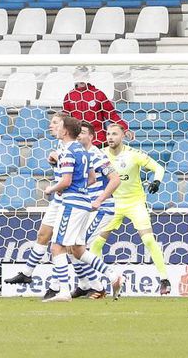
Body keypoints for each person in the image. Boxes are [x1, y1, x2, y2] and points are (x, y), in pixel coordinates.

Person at [89, 122, 172, 297]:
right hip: (112, 204)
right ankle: (99, 283)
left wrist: (157, 181)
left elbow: (159, 168)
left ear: (123, 136)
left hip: (135, 203)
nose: (110, 137)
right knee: (96, 243)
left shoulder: (133, 155)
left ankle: (164, 279)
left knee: (148, 240)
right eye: (108, 134)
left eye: (114, 134)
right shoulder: (101, 155)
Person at [42, 113, 114, 303]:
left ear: (65, 130)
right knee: (78, 250)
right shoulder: (83, 151)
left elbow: (65, 180)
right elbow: (91, 178)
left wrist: (52, 188)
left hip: (72, 203)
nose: (55, 128)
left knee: (57, 247)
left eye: (58, 126)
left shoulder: (67, 152)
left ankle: (63, 291)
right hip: (83, 203)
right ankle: (112, 275)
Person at [4, 112, 66, 288]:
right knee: (43, 234)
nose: (50, 126)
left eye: (55, 122)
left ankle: (60, 286)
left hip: (70, 200)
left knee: (63, 247)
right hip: (59, 199)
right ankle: (27, 273)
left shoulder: (72, 146)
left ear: (64, 125)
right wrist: (55, 162)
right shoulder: (60, 145)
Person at [72, 122, 121, 299]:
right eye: (77, 132)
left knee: (79, 246)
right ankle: (85, 285)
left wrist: (100, 199)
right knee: (70, 246)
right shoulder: (79, 155)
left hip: (100, 209)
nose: (79, 135)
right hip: (84, 207)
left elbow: (115, 179)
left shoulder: (97, 155)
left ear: (92, 137)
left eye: (83, 132)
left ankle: (101, 284)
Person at [62, 71, 127, 148]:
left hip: (98, 140)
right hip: (78, 140)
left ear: (88, 77)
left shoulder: (98, 94)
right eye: (79, 76)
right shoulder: (69, 96)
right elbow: (65, 118)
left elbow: (111, 114)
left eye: (84, 76)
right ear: (75, 77)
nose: (82, 79)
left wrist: (125, 128)